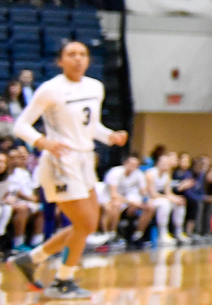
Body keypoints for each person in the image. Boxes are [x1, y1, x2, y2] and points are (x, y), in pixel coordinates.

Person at [6, 40, 129, 299]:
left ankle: (43, 265)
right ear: (60, 61)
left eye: (83, 54)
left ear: (88, 60)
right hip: (60, 161)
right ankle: (57, 275)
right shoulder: (50, 89)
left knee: (88, 224)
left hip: (85, 159)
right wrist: (43, 142)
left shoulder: (95, 87)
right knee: (84, 223)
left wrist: (110, 137)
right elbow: (21, 125)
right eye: (71, 54)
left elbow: (91, 126)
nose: (78, 59)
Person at [102, 154, 155, 246]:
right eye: (131, 164)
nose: (133, 166)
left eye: (135, 164)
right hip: (108, 198)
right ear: (125, 163)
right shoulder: (115, 172)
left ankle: (138, 235)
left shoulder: (138, 174)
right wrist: (131, 202)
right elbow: (113, 195)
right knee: (116, 205)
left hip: (127, 200)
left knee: (150, 207)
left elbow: (144, 193)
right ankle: (112, 234)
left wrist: (146, 198)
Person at [144, 151, 190, 245]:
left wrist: (176, 198)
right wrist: (169, 198)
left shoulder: (167, 175)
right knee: (165, 204)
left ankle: (179, 231)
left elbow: (168, 192)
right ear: (158, 163)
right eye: (164, 163)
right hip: (148, 199)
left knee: (180, 202)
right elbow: (153, 194)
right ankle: (162, 233)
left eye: (167, 164)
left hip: (160, 198)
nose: (166, 165)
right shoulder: (150, 174)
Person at [2, 148, 39, 250]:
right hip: (9, 202)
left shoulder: (23, 173)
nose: (15, 161)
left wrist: (33, 198)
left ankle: (37, 242)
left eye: (17, 158)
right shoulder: (5, 174)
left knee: (41, 209)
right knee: (22, 209)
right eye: (12, 158)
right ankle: (18, 243)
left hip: (19, 202)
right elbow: (13, 192)